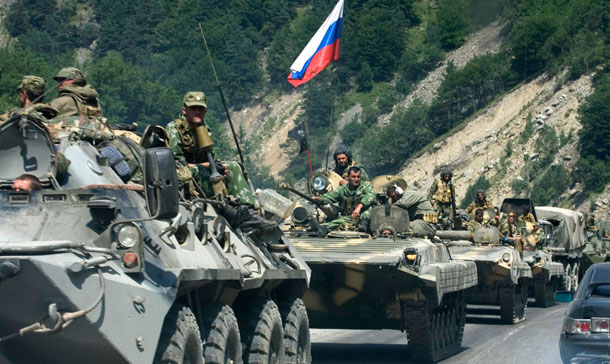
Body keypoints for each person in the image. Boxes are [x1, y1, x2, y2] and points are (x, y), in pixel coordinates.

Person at [166, 91, 274, 235]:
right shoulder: (174, 129)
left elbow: (208, 156)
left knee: (233, 166)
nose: (197, 111)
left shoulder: (203, 128)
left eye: (201, 108)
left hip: (201, 168)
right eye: (193, 108)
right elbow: (176, 164)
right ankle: (226, 208)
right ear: (184, 110)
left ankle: (247, 212)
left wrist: (216, 166)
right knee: (201, 171)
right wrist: (207, 166)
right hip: (181, 173)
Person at [312, 166, 375, 232]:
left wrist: (359, 207)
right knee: (339, 221)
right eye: (353, 177)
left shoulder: (366, 186)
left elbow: (370, 196)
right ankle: (322, 227)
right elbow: (331, 196)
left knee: (368, 205)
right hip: (350, 216)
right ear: (348, 177)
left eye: (358, 177)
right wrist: (320, 199)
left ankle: (363, 224)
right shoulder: (343, 189)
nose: (356, 179)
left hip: (363, 217)